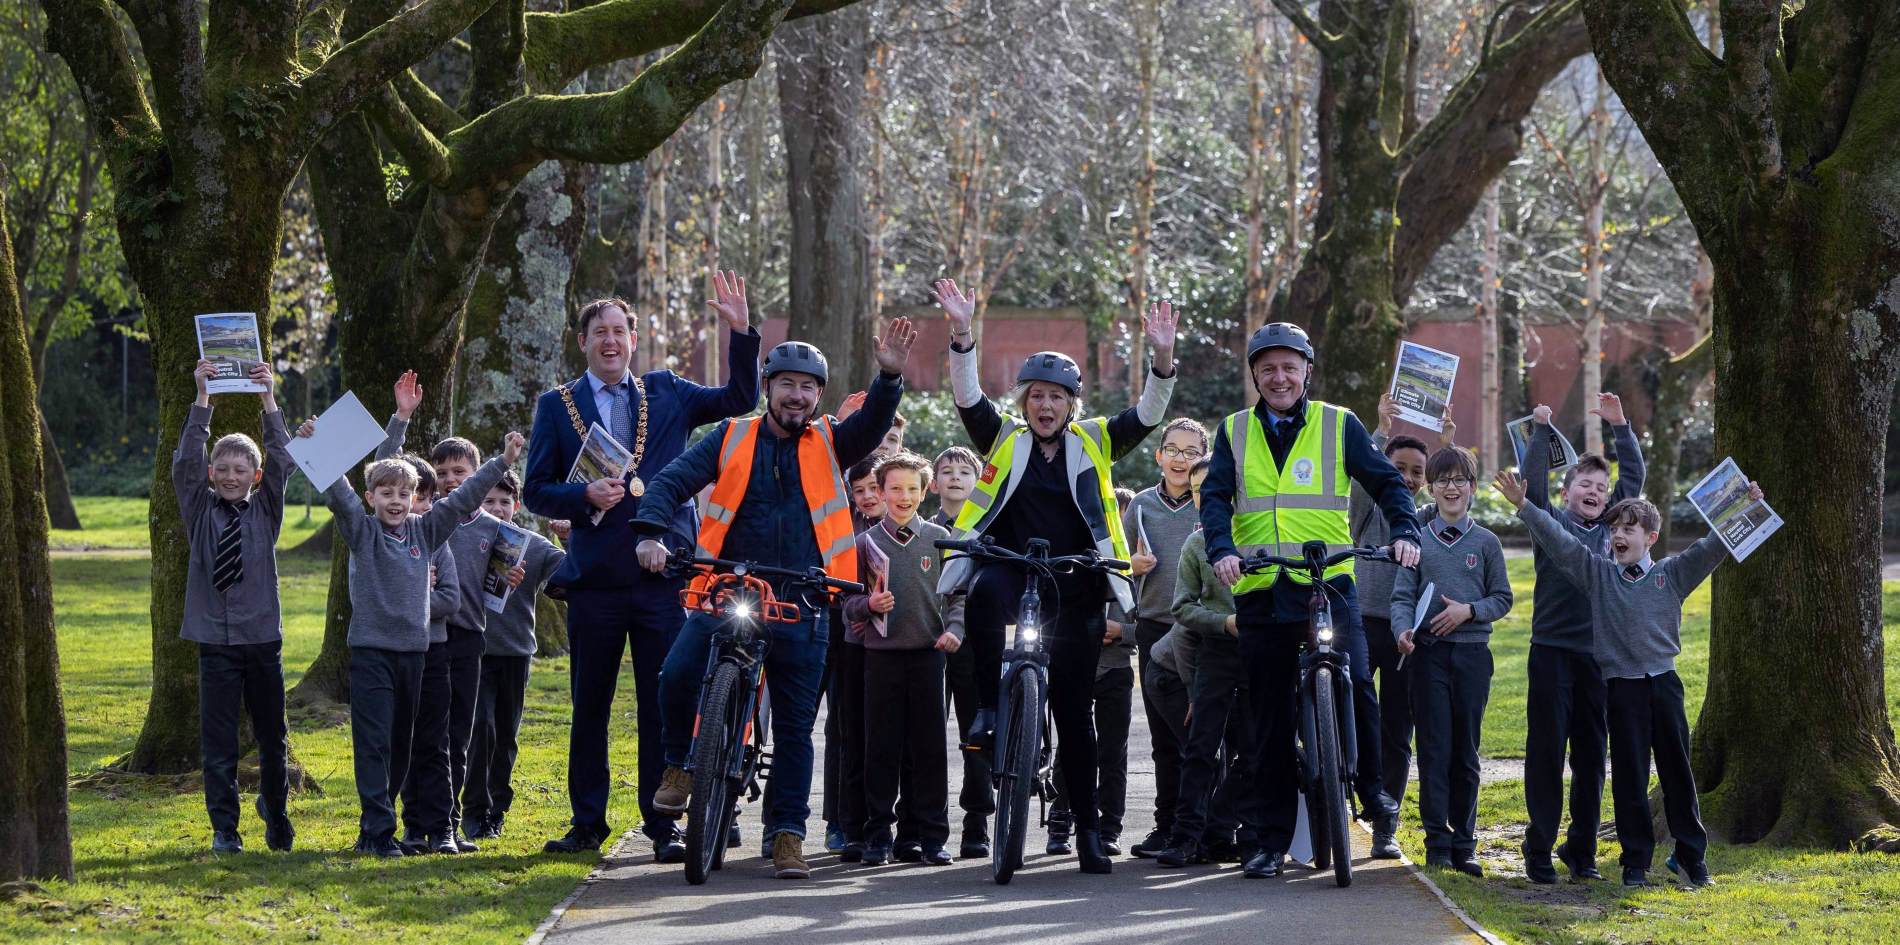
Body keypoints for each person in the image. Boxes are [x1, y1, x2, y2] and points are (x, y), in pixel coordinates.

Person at [639, 320, 917, 879]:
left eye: (809, 387)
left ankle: (786, 833)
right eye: (787, 383)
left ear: (819, 395)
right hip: (727, 587)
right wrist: (649, 531)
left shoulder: (833, 439)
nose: (797, 395)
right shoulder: (730, 436)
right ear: (768, 387)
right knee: (676, 674)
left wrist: (888, 375)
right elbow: (671, 480)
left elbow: (873, 424)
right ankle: (679, 766)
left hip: (804, 599)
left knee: (794, 728)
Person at [931, 277, 1180, 875]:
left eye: (1058, 398)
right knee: (986, 591)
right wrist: (963, 335)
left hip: (1076, 582)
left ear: (1072, 404)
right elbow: (967, 400)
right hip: (1012, 571)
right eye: (1037, 396)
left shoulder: (1095, 441)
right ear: (1024, 402)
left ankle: (1090, 833)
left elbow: (1147, 414)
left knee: (1074, 711)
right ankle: (991, 708)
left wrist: (1162, 360)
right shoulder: (1004, 440)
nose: (1046, 406)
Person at [522, 274, 761, 859]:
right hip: (596, 581)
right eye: (599, 331)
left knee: (665, 704)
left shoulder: (668, 391)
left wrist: (740, 332)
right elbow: (535, 491)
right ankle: (586, 824)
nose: (610, 341)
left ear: (635, 338)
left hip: (663, 575)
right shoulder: (557, 406)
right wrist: (583, 499)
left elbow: (739, 401)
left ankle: (661, 827)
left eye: (619, 331)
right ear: (583, 341)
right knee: (591, 709)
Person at [1200, 322, 1419, 880]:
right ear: (1255, 375)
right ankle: (1271, 841)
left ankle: (1373, 794)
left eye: (1289, 367)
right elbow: (1217, 498)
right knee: (1267, 721)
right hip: (1259, 588)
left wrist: (1405, 532)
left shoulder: (1337, 424)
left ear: (1306, 373)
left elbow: (1389, 482)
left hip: (1327, 581)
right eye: (1268, 368)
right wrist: (1222, 549)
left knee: (1359, 683)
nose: (1279, 378)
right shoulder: (1232, 430)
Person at [1496, 471, 1752, 890]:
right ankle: (1635, 861)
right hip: (1621, 688)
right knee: (1630, 777)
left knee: (1677, 775)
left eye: (1628, 529)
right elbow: (1561, 546)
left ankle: (1690, 857)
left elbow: (1713, 546)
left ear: (1650, 538)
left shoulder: (1671, 574)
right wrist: (1524, 507)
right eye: (1614, 529)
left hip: (1665, 684)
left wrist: (1744, 502)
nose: (1618, 535)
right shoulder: (1598, 575)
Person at [314, 416, 521, 857]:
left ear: (415, 499)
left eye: (404, 494)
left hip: (416, 654)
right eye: (386, 494)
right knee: (375, 743)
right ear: (371, 498)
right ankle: (375, 830)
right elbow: (337, 489)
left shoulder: (426, 532)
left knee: (403, 747)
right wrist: (304, 436)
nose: (396, 501)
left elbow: (464, 496)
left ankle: (385, 827)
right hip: (371, 652)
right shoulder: (362, 531)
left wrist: (501, 461)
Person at [1517, 395, 1644, 884]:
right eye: (1584, 485)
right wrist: (1541, 430)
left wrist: (1620, 427)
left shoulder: (1614, 531)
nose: (1593, 491)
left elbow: (1633, 482)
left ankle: (1582, 850)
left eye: (1600, 487)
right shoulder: (1548, 525)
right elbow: (1531, 485)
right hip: (1550, 653)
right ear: (1567, 492)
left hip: (1599, 660)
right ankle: (1539, 847)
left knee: (1591, 757)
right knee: (1546, 753)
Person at [175, 359, 296, 854]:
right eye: (221, 469)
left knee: (272, 736)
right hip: (215, 642)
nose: (229, 475)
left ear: (255, 474)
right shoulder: (199, 507)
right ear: (212, 473)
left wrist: (269, 400)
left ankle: (276, 808)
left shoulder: (267, 507)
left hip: (263, 639)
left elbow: (285, 459)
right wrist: (202, 398)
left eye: (239, 469)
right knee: (219, 741)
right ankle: (225, 827)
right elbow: (184, 462)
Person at [1391, 446, 1513, 877]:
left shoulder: (1486, 543)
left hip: (1472, 656)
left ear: (1473, 488)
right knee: (1434, 749)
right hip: (1427, 658)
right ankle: (1437, 843)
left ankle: (1465, 843)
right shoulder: (1416, 542)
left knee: (1466, 751)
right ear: (1431, 487)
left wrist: (1469, 611)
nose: (1451, 487)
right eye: (1442, 479)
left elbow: (1503, 597)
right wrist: (1402, 631)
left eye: (1460, 479)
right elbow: (1402, 597)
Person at [842, 451, 965, 866]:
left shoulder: (939, 539)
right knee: (881, 748)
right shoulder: (864, 543)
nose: (903, 496)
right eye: (894, 488)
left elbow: (956, 596)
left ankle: (928, 837)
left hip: (930, 657)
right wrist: (868, 604)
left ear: (925, 490)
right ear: (880, 491)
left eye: (912, 488)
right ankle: (877, 834)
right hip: (881, 660)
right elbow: (846, 603)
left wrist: (955, 630)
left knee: (928, 751)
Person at [1158, 455, 1256, 868]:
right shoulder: (1196, 545)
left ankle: (1223, 830)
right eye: (1200, 492)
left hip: (1261, 649)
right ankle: (1184, 837)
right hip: (1217, 646)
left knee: (1254, 750)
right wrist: (1224, 622)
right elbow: (1181, 608)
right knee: (1202, 747)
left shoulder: (1260, 535)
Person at [1122, 419, 1211, 859]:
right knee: (1163, 739)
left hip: (1202, 628)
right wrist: (1130, 566)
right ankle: (1166, 825)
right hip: (1155, 626)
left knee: (1197, 731)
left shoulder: (1210, 502)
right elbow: (1117, 567)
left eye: (1191, 451)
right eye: (1172, 450)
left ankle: (1204, 827)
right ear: (1158, 456)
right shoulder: (1139, 505)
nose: (1180, 459)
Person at [463, 470, 567, 841]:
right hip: (474, 650)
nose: (497, 508)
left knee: (506, 733)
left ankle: (497, 809)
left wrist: (570, 538)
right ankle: (473, 810)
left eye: (504, 502)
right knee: (480, 730)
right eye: (488, 501)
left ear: (517, 506)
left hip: (516, 652)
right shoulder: (465, 537)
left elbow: (569, 578)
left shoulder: (534, 545)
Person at [1048, 485, 1142, 858]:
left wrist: (1122, 632)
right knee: (1069, 744)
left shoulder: (1134, 566)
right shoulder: (1075, 559)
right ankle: (1060, 820)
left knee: (1112, 752)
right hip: (1076, 665)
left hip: (1115, 668)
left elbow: (1148, 621)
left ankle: (1109, 826)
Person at [929, 445, 992, 858]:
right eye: (947, 471)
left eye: (964, 471)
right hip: (928, 642)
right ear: (933, 484)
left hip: (972, 643)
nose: (955, 477)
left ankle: (976, 823)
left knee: (974, 734)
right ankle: (930, 825)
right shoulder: (922, 528)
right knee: (929, 734)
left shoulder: (987, 528)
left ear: (977, 482)